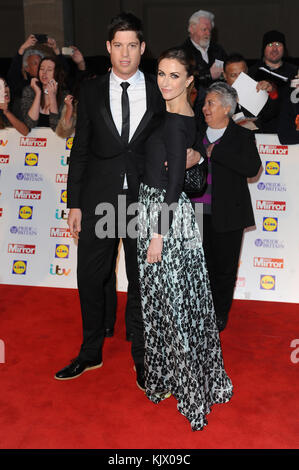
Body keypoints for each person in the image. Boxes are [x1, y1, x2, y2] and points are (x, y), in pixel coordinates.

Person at [54, 13, 201, 386]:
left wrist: (196, 154)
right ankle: (90, 353)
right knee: (90, 277)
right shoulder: (90, 89)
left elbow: (183, 128)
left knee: (141, 282)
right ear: (108, 48)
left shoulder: (160, 89)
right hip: (98, 199)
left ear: (142, 48)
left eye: (132, 45)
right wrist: (74, 203)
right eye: (118, 45)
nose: (125, 53)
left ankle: (143, 357)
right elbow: (81, 149)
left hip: (143, 200)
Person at [137, 47, 233, 431]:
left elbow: (174, 186)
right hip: (165, 214)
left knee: (170, 304)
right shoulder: (182, 115)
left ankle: (186, 386)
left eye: (174, 75)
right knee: (173, 303)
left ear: (190, 80)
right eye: (161, 73)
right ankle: (175, 378)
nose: (165, 82)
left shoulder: (177, 120)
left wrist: (158, 235)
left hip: (164, 217)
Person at [195, 82, 261, 332]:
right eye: (204, 103)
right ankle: (198, 310)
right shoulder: (195, 131)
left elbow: (252, 168)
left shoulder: (243, 135)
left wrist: (216, 153)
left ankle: (219, 314)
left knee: (223, 269)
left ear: (226, 108)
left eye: (210, 103)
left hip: (228, 213)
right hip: (195, 212)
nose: (204, 108)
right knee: (197, 267)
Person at [223, 53, 280, 133]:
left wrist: (272, 92)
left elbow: (271, 114)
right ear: (225, 76)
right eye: (233, 75)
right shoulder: (218, 97)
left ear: (247, 72)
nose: (239, 79)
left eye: (242, 74)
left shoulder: (257, 89)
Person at [20, 56, 74, 134]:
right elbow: (30, 123)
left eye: (49, 70)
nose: (44, 72)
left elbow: (56, 127)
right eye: (41, 69)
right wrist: (38, 93)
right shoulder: (30, 91)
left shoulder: (64, 96)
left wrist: (52, 97)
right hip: (33, 143)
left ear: (57, 73)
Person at [182, 9, 227, 90]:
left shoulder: (218, 50)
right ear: (192, 29)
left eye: (210, 30)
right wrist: (209, 74)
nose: (208, 33)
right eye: (204, 29)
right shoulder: (182, 53)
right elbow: (183, 80)